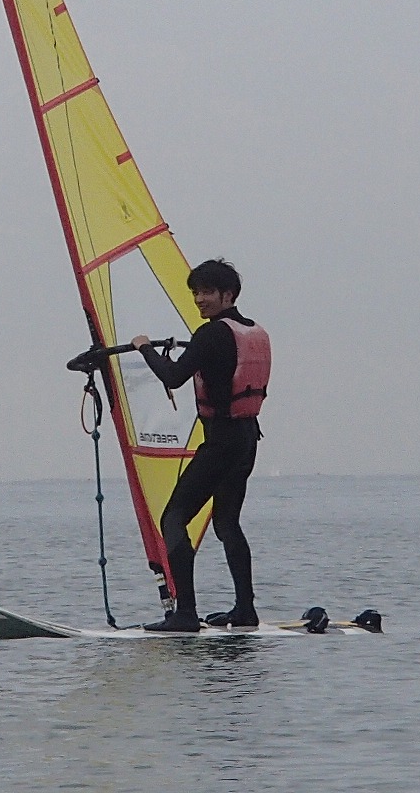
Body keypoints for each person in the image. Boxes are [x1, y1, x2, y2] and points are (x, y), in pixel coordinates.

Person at [130, 259, 270, 633]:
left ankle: (186, 614)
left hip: (222, 443)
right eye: (195, 292)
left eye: (208, 292)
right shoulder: (252, 331)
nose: (199, 299)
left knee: (173, 518)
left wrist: (144, 348)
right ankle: (245, 610)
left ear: (228, 294)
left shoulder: (211, 334)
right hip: (246, 441)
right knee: (226, 522)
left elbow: (174, 376)